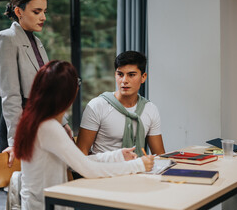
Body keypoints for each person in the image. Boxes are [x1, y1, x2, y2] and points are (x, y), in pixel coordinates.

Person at [14, 60, 154, 210]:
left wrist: (117, 156)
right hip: (46, 205)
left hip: (42, 202)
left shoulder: (36, 121)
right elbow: (87, 169)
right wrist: (137, 165)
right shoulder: (49, 127)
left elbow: (78, 161)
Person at [0, 0, 71, 167]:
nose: (43, 17)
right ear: (19, 11)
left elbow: (47, 89)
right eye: (37, 11)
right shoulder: (5, 39)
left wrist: (62, 122)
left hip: (42, 119)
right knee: (22, 186)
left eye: (45, 12)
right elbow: (10, 96)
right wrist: (15, 143)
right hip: (20, 120)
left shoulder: (37, 41)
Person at [76, 51, 165, 157]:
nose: (124, 80)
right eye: (120, 74)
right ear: (115, 75)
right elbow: (81, 153)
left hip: (139, 170)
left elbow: (159, 156)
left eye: (131, 75)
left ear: (143, 77)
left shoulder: (150, 109)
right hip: (104, 171)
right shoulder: (97, 105)